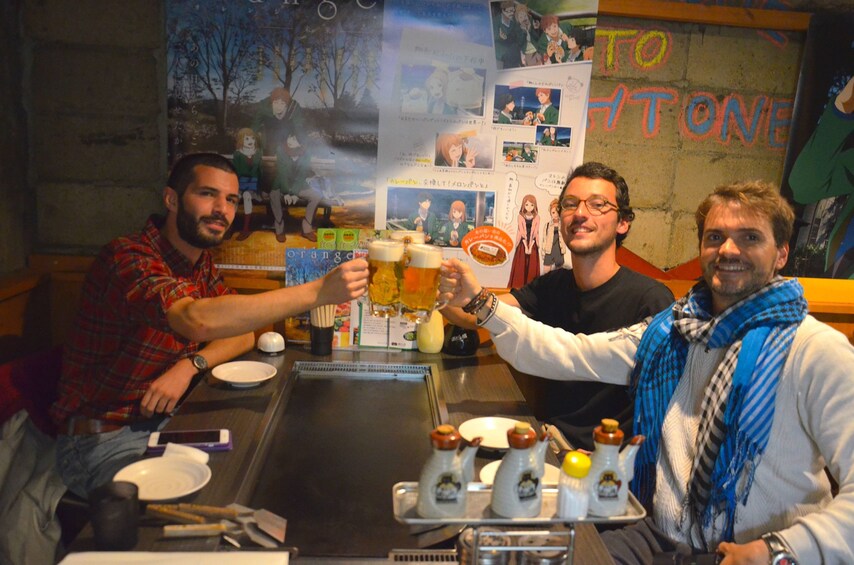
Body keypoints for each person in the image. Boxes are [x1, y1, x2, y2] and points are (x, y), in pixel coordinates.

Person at [441, 180, 854, 564]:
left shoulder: (815, 351)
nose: (728, 249)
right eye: (715, 237)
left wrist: (778, 551)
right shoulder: (674, 331)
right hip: (658, 536)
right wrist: (481, 303)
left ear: (782, 253)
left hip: (754, 554)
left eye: (750, 237)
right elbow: (568, 352)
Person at [51, 153, 369, 498]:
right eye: (207, 194)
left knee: (275, 458)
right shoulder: (128, 257)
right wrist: (317, 291)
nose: (223, 209)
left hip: (167, 423)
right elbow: (195, 319)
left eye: (231, 199)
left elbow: (242, 330)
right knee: (182, 505)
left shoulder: (199, 264)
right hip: (102, 438)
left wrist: (190, 366)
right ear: (171, 199)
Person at [442, 162, 673, 450]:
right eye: (570, 204)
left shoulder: (651, 300)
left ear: (623, 222)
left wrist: (478, 302)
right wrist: (438, 294)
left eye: (598, 205)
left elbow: (660, 410)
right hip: (548, 443)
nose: (580, 213)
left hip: (605, 465)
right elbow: (476, 316)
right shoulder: (552, 285)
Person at [270, 135, 323, 242]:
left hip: (299, 186)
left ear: (300, 142)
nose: (289, 140)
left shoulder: (306, 153)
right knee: (273, 194)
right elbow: (282, 173)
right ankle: (279, 228)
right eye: (289, 137)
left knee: (316, 195)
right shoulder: (281, 150)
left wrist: (294, 193)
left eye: (294, 139)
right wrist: (286, 193)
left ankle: (306, 228)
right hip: (282, 185)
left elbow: (302, 175)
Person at [229, 127, 263, 241]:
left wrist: (247, 177)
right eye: (247, 138)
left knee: (246, 196)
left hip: (254, 185)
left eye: (252, 138)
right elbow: (238, 172)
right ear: (241, 140)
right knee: (235, 197)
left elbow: (255, 173)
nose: (250, 141)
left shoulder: (258, 153)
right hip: (240, 184)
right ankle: (229, 226)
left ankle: (246, 228)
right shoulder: (238, 154)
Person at [252, 87, 305, 156]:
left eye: (282, 103)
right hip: (270, 133)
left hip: (287, 132)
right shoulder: (264, 107)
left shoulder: (294, 108)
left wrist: (301, 143)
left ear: (286, 105)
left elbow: (299, 127)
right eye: (276, 103)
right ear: (271, 103)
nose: (278, 106)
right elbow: (255, 124)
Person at [507, 194, 540, 288]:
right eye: (527, 205)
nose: (529, 207)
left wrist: (531, 246)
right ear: (523, 205)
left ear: (535, 206)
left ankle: (531, 289)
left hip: (533, 244)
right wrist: (526, 246)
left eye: (532, 205)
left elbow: (535, 233)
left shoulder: (537, 217)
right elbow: (522, 232)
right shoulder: (520, 216)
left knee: (531, 267)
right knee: (520, 267)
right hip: (522, 244)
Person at [493, 0, 523, 69]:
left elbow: (518, 36)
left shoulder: (514, 21)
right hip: (500, 47)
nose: (512, 13)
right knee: (510, 53)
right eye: (509, 11)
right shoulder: (495, 21)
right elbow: (492, 37)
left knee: (515, 48)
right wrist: (499, 36)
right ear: (503, 11)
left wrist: (522, 28)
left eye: (513, 11)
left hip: (511, 46)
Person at [539, 198, 567, 273]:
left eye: (558, 212)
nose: (556, 215)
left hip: (559, 250)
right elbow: (544, 239)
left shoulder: (563, 225)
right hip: (549, 251)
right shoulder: (547, 225)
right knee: (546, 272)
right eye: (553, 212)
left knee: (559, 274)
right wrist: (543, 252)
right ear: (550, 213)